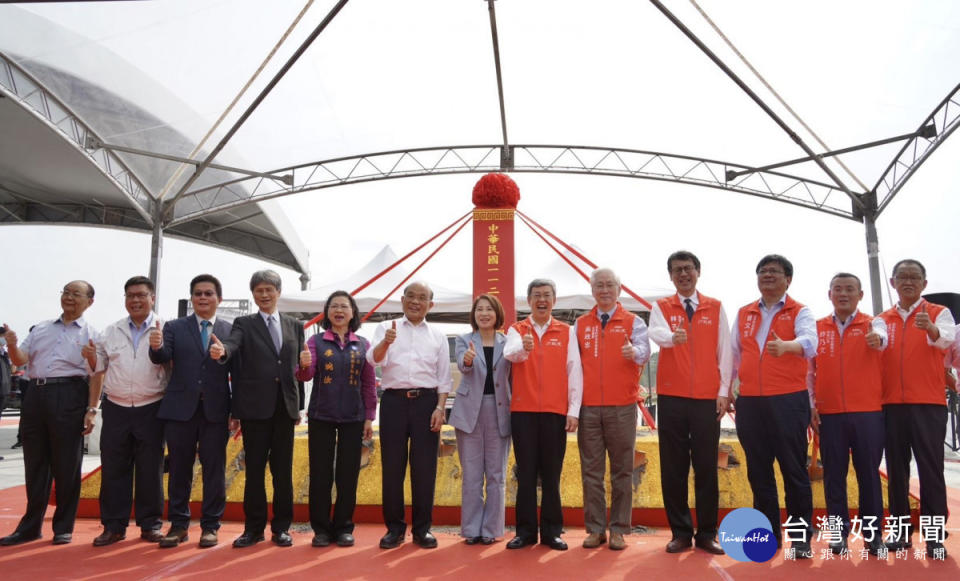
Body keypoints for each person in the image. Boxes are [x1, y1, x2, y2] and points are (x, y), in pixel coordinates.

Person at [209, 270, 308, 548]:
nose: (264, 295)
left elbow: (296, 369)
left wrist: (297, 404)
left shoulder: (294, 325)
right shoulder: (244, 323)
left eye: (269, 290)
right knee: (254, 471)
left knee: (282, 472)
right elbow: (232, 344)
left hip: (284, 409)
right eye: (259, 290)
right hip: (254, 409)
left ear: (278, 292)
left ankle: (281, 528)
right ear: (253, 294)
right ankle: (253, 529)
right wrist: (223, 352)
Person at [729, 255, 817, 558]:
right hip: (751, 402)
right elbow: (733, 355)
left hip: (788, 400)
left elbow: (810, 342)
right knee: (759, 471)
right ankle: (767, 534)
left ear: (788, 279)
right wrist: (726, 390)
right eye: (762, 271)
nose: (767, 275)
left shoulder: (800, 311)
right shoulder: (744, 313)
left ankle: (800, 537)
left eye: (774, 272)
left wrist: (787, 346)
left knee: (793, 470)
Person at [0, 281, 101, 546]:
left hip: (69, 394)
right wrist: (11, 345)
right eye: (66, 292)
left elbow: (97, 374)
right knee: (35, 463)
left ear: (89, 301)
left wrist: (92, 410)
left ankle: (63, 526)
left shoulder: (92, 333)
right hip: (35, 395)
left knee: (66, 464)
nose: (69, 297)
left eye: (76, 294)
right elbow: (21, 359)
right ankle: (30, 527)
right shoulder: (41, 328)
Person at [648, 251, 730, 555]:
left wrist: (723, 390)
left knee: (707, 465)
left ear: (698, 271)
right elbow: (654, 331)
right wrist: (672, 338)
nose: (683, 274)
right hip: (672, 397)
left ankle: (708, 532)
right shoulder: (661, 307)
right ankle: (680, 532)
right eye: (676, 270)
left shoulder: (715, 306)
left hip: (707, 399)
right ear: (670, 276)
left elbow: (726, 351)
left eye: (688, 269)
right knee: (674, 466)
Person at [149, 274, 234, 548]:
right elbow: (162, 357)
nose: (203, 298)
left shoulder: (230, 329)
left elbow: (238, 367)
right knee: (179, 470)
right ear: (191, 299)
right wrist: (156, 346)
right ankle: (178, 525)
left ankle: (210, 526)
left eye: (209, 293)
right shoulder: (174, 327)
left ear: (218, 299)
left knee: (214, 471)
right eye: (198, 293)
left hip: (215, 411)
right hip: (179, 410)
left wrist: (238, 412)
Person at [366, 281, 453, 549]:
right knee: (392, 468)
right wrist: (385, 343)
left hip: (427, 403)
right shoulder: (386, 327)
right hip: (393, 402)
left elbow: (443, 378)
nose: (416, 302)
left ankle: (422, 529)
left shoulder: (438, 336)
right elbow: (374, 360)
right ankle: (394, 528)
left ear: (431, 304)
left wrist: (440, 408)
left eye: (422, 298)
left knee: (424, 468)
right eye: (411, 297)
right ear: (402, 301)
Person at [878, 259, 955, 558]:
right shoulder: (882, 319)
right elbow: (877, 345)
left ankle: (934, 536)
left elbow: (946, 339)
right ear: (893, 283)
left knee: (931, 470)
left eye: (914, 277)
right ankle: (899, 532)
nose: (908, 282)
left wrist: (932, 329)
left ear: (924, 283)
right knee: (896, 470)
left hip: (928, 404)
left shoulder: (939, 313)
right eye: (902, 277)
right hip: (891, 405)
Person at [806, 272, 886, 556]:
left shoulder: (873, 323)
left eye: (850, 289)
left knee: (869, 476)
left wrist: (877, 338)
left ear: (860, 295)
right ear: (829, 294)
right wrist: (812, 405)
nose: (843, 294)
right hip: (830, 414)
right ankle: (838, 534)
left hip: (868, 414)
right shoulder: (817, 328)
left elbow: (883, 338)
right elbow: (809, 372)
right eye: (837, 289)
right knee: (834, 476)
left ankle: (873, 536)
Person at [504, 278, 583, 551]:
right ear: (528, 301)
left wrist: (573, 411)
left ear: (554, 300)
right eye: (536, 295)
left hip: (554, 412)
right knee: (525, 474)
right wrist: (523, 348)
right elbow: (509, 354)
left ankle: (551, 532)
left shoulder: (567, 331)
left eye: (547, 295)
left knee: (552, 474)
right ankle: (524, 532)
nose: (542, 300)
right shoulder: (517, 329)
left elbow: (575, 371)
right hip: (523, 412)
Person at [90, 276, 169, 547]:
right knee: (114, 468)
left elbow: (172, 369)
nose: (135, 300)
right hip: (117, 407)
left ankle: (151, 525)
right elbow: (97, 370)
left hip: (152, 407)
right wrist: (93, 407)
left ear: (152, 298)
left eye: (141, 295)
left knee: (150, 469)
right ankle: (113, 526)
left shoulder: (167, 328)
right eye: (130, 296)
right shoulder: (110, 331)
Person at [575, 268, 649, 551]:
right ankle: (595, 529)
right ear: (592, 290)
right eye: (599, 286)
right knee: (591, 471)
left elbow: (644, 349)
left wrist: (635, 353)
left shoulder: (634, 322)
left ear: (619, 289)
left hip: (622, 406)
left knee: (622, 471)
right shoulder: (580, 324)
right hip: (589, 408)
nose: (604, 290)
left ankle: (619, 529)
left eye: (610, 285)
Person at [296, 291, 376, 548]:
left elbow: (368, 384)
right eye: (334, 306)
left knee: (348, 474)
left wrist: (369, 417)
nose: (339, 310)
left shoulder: (363, 344)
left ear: (353, 313)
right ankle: (320, 529)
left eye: (344, 306)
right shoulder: (316, 342)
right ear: (327, 313)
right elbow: (304, 376)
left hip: (354, 417)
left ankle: (343, 527)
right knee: (320, 474)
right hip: (321, 415)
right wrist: (304, 365)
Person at [450, 294, 512, 545]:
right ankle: (471, 528)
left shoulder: (508, 342)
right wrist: (467, 361)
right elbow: (464, 367)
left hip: (500, 410)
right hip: (469, 411)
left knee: (497, 475)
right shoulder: (464, 340)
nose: (484, 313)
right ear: (473, 315)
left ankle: (492, 529)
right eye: (479, 309)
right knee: (472, 474)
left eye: (489, 309)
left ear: (497, 314)